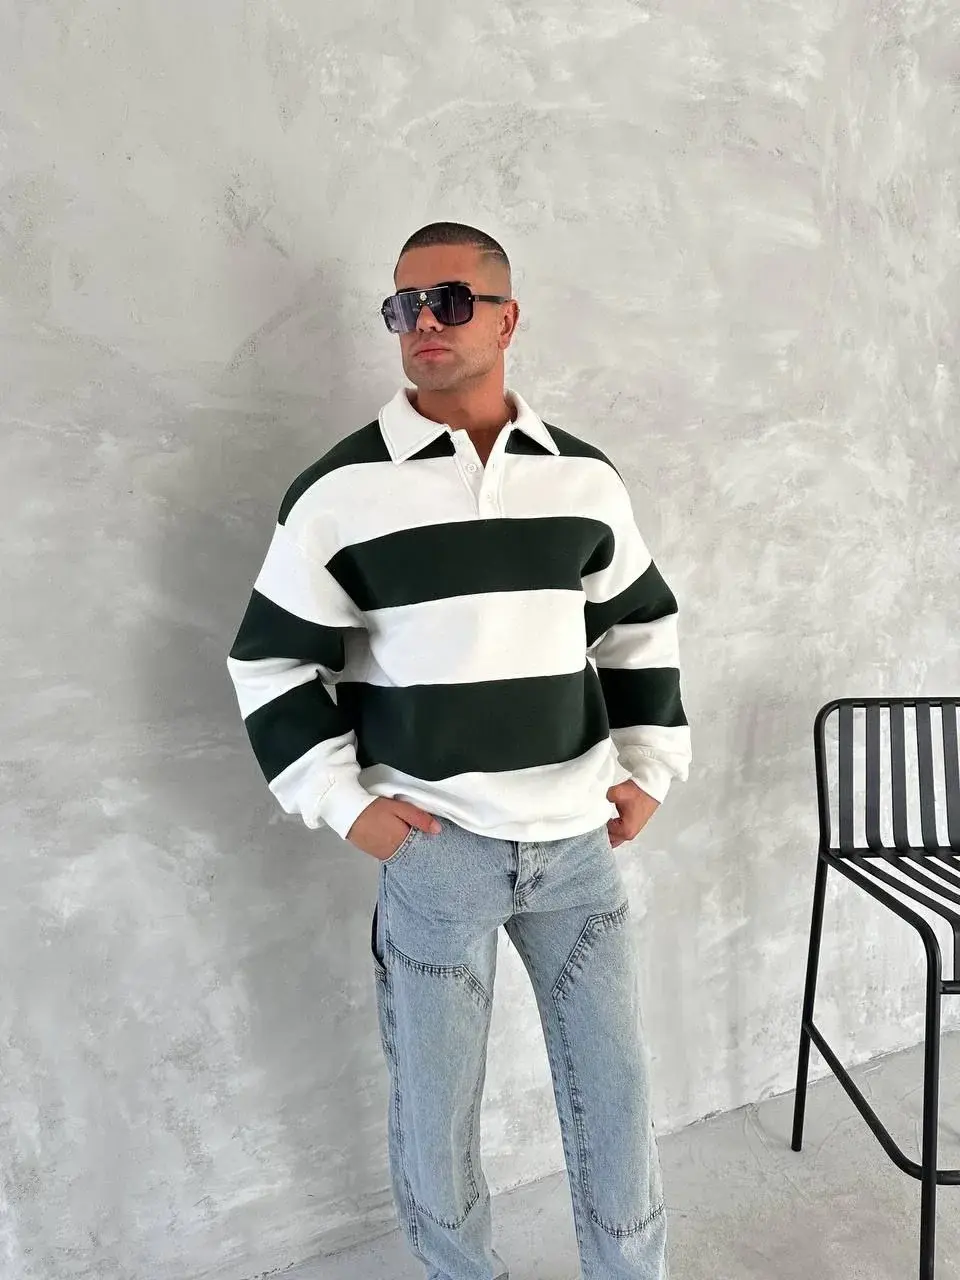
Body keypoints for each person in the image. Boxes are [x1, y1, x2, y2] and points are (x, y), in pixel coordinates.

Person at [226, 222, 691, 1280]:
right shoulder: (339, 491)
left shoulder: (583, 479)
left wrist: (649, 766)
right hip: (437, 853)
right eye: (402, 307)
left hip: (576, 844)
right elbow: (271, 661)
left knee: (616, 1095)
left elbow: (638, 626)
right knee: (436, 1116)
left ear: (506, 317)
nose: (421, 323)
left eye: (447, 300)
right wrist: (348, 806)